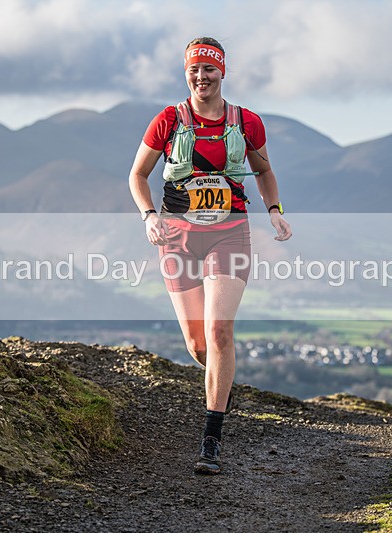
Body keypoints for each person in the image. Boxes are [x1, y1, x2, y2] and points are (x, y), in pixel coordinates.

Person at [128, 37, 292, 474]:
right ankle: (222, 385)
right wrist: (148, 216)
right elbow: (138, 175)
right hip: (177, 237)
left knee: (219, 333)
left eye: (210, 70)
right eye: (194, 71)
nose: (201, 78)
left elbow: (264, 170)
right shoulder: (168, 121)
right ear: (187, 74)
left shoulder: (246, 123)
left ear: (223, 73)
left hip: (230, 234)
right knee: (199, 344)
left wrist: (274, 211)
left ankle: (211, 439)